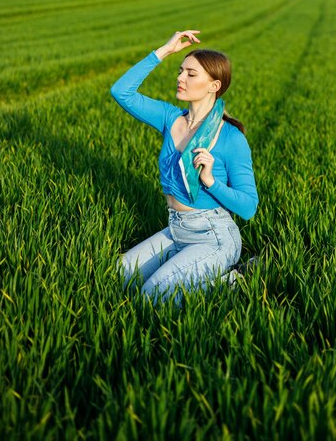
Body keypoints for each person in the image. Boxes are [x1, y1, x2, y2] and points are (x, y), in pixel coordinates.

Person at [110, 30, 259, 305]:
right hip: (176, 229)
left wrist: (211, 181)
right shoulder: (171, 118)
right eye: (181, 71)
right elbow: (121, 91)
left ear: (214, 85)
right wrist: (164, 51)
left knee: (152, 297)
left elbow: (249, 206)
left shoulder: (230, 139)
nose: (180, 78)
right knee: (118, 276)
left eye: (191, 74)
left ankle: (234, 280)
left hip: (213, 236)